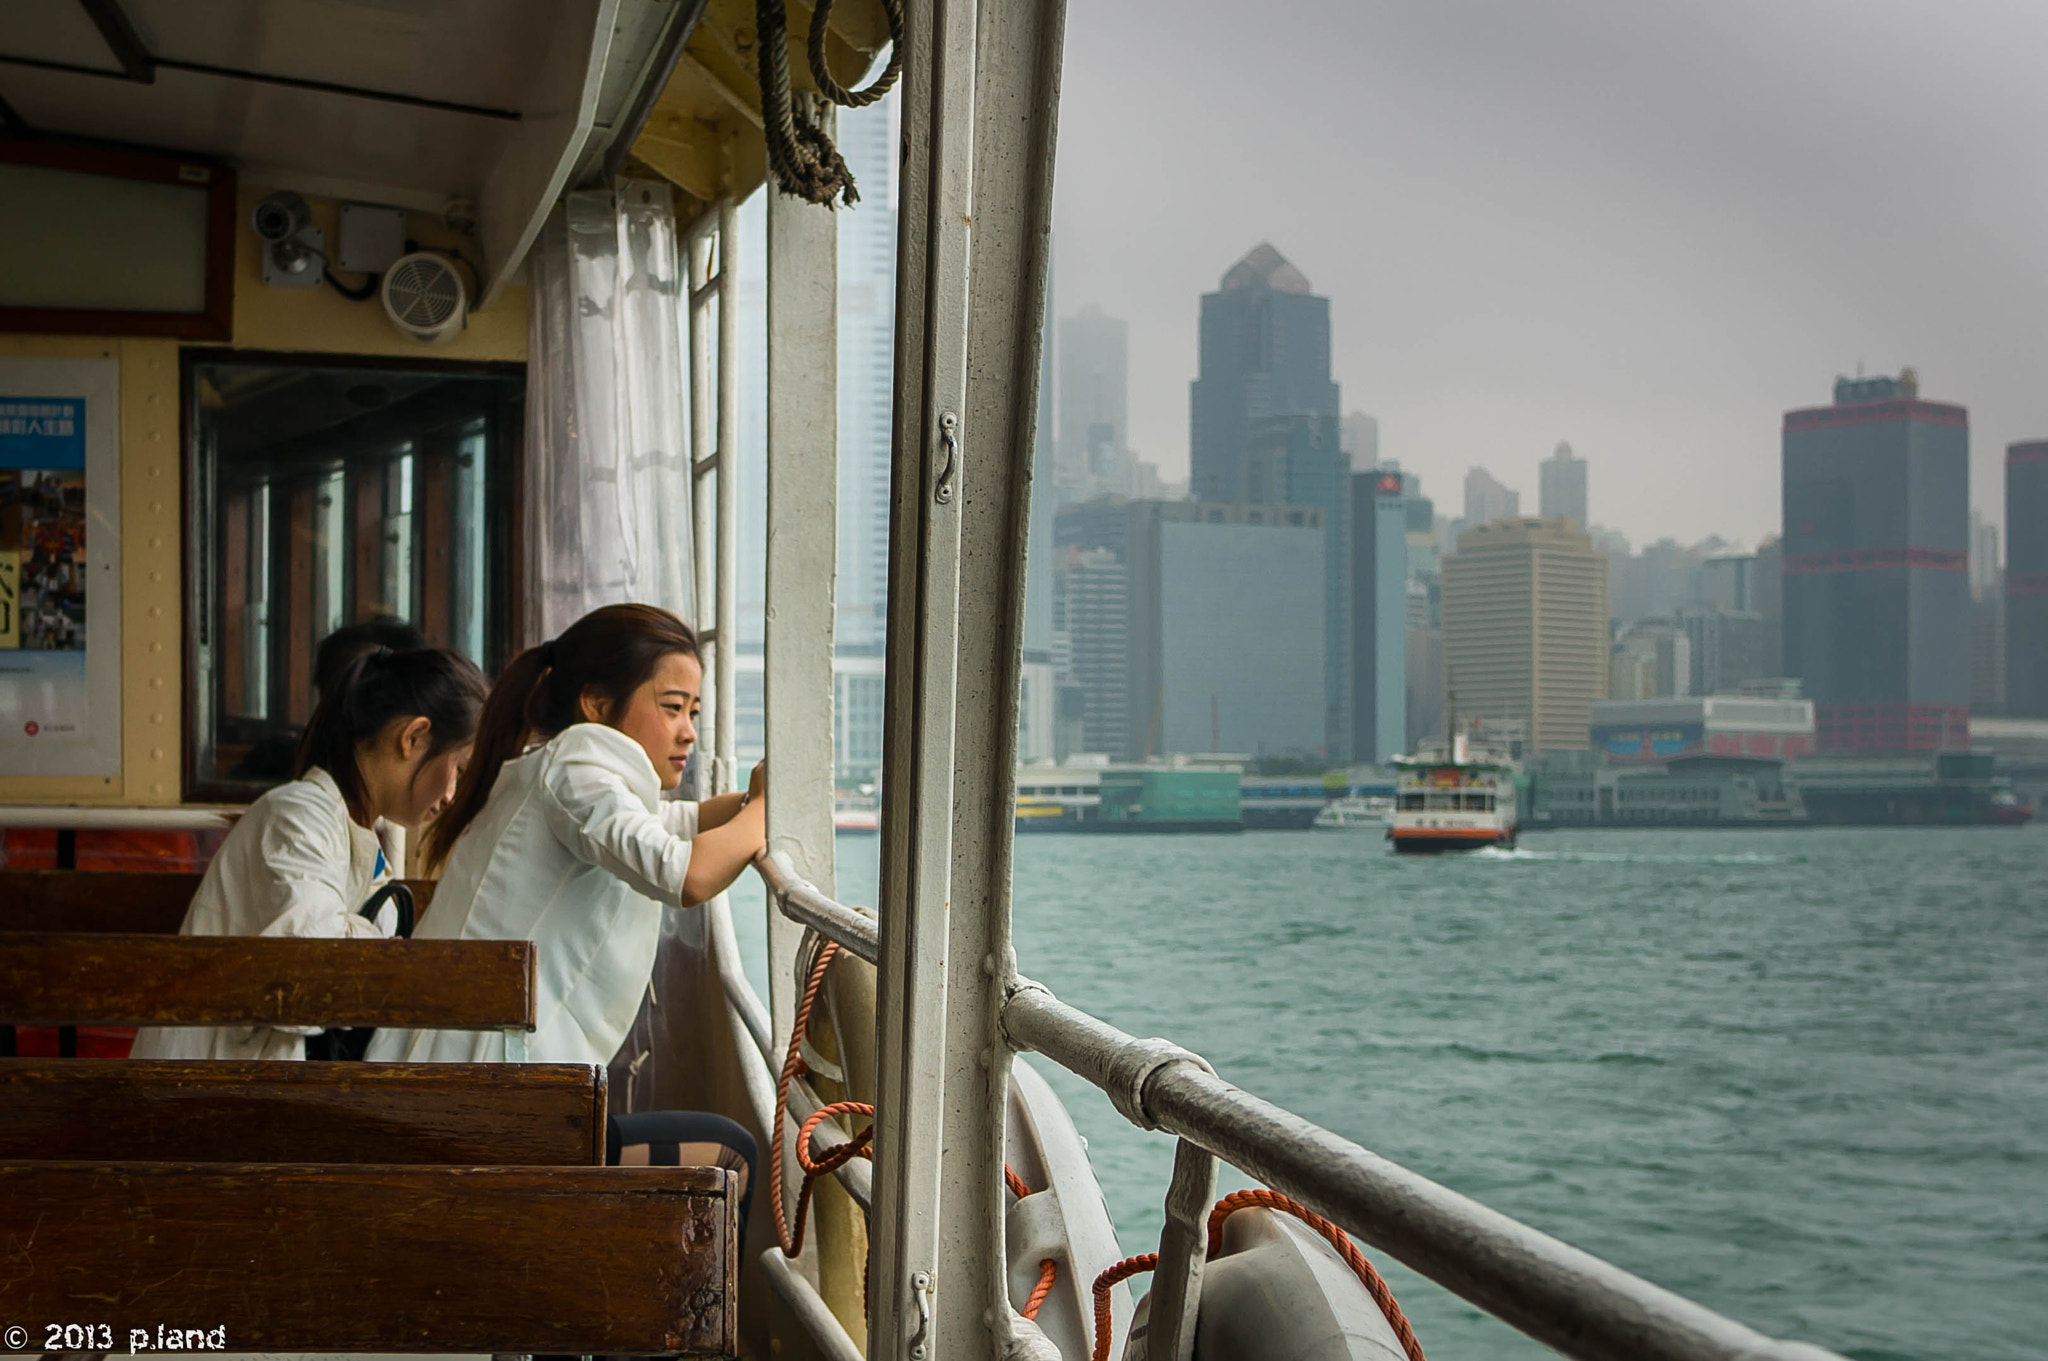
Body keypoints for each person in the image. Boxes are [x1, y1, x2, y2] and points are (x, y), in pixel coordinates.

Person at [367, 603, 762, 1222]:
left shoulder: (549, 769)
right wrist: (772, 807)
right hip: (486, 1115)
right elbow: (687, 872)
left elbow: (673, 823)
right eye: (671, 707)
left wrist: (749, 801)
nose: (688, 730)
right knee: (728, 1156)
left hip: (462, 1096)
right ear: (598, 705)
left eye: (694, 712)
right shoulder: (580, 765)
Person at [129, 646, 487, 1061]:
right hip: (210, 1090)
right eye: (458, 769)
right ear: (412, 738)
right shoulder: (298, 816)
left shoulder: (351, 833)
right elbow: (317, 968)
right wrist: (398, 954)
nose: (450, 795)